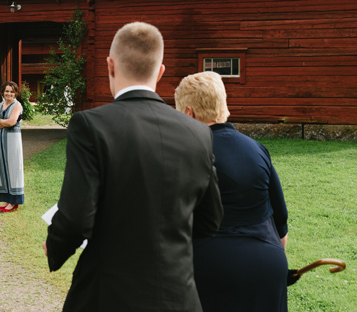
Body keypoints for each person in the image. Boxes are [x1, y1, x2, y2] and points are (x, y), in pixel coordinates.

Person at [44, 22, 223, 311]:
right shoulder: (199, 133)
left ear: (110, 66)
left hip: (108, 295)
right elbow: (210, 220)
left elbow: (77, 217)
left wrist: (56, 245)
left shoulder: (91, 125)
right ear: (161, 72)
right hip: (177, 296)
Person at [175, 71, 289, 312]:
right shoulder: (258, 149)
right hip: (268, 266)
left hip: (209, 269)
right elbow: (281, 224)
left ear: (188, 112)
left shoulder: (183, 154)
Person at [0, 81, 24, 212]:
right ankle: (6, 199)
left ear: (15, 93)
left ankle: (14, 201)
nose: (9, 94)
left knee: (13, 167)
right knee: (3, 167)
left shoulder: (17, 105)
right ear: (2, 92)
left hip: (13, 139)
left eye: (12, 91)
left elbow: (12, 122)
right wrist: (3, 122)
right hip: (1, 139)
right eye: (7, 91)